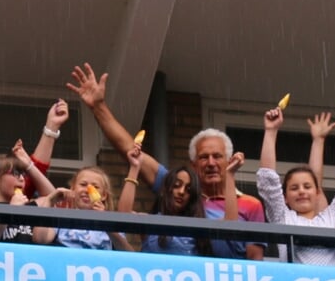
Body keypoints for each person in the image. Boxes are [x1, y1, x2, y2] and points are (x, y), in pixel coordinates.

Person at [67, 63, 263, 259]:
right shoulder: (174, 187)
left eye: (217, 157)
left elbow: (255, 260)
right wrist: (99, 107)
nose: (210, 163)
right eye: (203, 157)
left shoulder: (250, 204)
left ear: (229, 160)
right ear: (193, 165)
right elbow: (131, 151)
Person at [255, 108, 335, 268]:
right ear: (285, 197)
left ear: (317, 192)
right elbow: (267, 181)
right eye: (294, 188)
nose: (301, 191)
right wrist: (271, 131)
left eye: (307, 186)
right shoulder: (282, 218)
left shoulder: (332, 217)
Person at [119, 144, 204, 256]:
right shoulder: (151, 222)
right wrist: (135, 168)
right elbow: (123, 216)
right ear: (167, 189)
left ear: (192, 197)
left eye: (188, 189)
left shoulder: (198, 227)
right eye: (177, 185)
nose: (182, 192)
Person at [32, 167, 129, 250]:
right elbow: (40, 239)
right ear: (73, 189)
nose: (87, 190)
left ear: (104, 195)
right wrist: (49, 200)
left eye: (95, 186)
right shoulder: (61, 216)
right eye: (83, 184)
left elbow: (127, 253)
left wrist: (106, 223)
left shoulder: (112, 221)